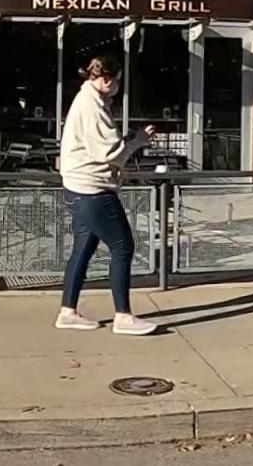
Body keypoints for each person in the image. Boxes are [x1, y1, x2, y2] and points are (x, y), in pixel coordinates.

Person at [54, 54, 160, 336]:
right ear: (106, 80)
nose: (118, 88)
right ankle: (123, 316)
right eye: (118, 82)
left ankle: (68, 312)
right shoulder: (91, 106)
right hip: (93, 189)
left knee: (83, 248)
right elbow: (111, 153)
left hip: (78, 187)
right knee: (122, 246)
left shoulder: (88, 101)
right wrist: (137, 142)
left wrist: (130, 140)